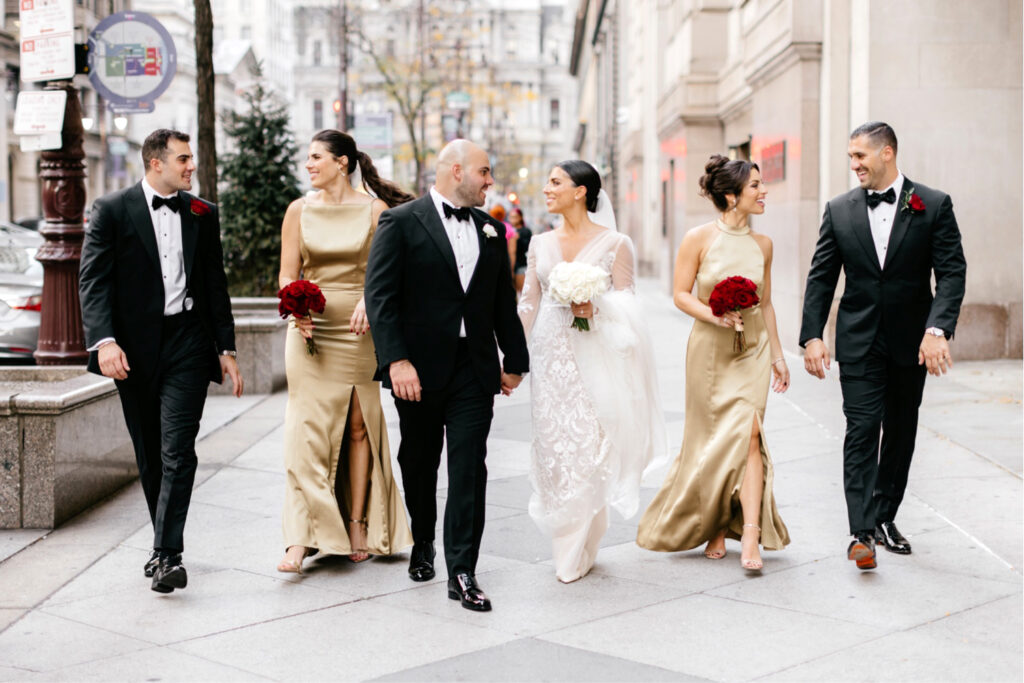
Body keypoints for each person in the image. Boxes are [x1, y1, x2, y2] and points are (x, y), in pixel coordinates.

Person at [364, 139, 529, 612]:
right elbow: (381, 298)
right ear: (457, 171)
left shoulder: (493, 231)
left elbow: (502, 301)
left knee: (468, 468)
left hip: (473, 370)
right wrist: (396, 361)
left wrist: (514, 360)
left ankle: (463, 570)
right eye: (485, 171)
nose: (490, 181)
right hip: (415, 369)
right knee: (418, 463)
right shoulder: (399, 222)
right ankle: (422, 543)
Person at [79, 129, 244, 593]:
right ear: (156, 163)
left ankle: (168, 553)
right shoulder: (112, 210)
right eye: (183, 159)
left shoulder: (201, 213)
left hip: (188, 344)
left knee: (178, 450)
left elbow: (216, 283)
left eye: (190, 159)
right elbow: (93, 282)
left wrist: (226, 350)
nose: (191, 166)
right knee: (150, 452)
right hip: (133, 350)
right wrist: (105, 342)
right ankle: (161, 544)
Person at [799, 122, 966, 570]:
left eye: (860, 156)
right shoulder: (839, 210)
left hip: (912, 343)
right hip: (858, 340)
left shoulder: (932, 205)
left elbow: (951, 273)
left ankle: (885, 515)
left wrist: (937, 330)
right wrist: (813, 334)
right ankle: (861, 533)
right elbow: (821, 276)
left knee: (901, 431)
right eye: (850, 157)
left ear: (887, 152)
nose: (853, 165)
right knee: (862, 428)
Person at [637, 154, 790, 571]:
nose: (763, 192)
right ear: (731, 195)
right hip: (709, 351)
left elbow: (768, 303)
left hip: (753, 349)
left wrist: (778, 356)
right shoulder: (698, 238)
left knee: (751, 434)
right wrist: (715, 314)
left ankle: (753, 535)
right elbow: (681, 294)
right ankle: (717, 523)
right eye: (755, 186)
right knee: (712, 440)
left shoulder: (764, 246)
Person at [518, 161, 666, 583]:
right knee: (554, 446)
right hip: (550, 356)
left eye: (555, 182)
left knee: (589, 443)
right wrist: (510, 355)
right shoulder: (540, 243)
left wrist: (595, 306)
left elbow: (630, 302)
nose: (546, 188)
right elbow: (530, 301)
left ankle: (581, 540)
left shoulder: (617, 243)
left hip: (594, 352)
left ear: (581, 191)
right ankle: (568, 535)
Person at [277, 130, 413, 573]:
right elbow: (286, 274)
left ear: (343, 162)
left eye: (316, 157)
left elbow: (390, 273)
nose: (309, 165)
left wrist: (369, 301)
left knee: (358, 428)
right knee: (305, 430)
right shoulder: (298, 210)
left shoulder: (377, 211)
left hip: (358, 331)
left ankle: (357, 523)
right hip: (309, 333)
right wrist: (296, 309)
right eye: (308, 158)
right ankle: (299, 537)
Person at [509, 207, 533, 294]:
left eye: (515, 217)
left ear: (520, 217)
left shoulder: (525, 231)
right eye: (511, 217)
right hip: (511, 265)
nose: (513, 219)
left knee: (522, 292)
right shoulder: (508, 230)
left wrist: (517, 239)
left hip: (521, 265)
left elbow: (528, 247)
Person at [488, 204, 518, 271]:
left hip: (490, 262)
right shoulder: (509, 228)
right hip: (504, 262)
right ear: (503, 215)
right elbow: (512, 252)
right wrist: (512, 270)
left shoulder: (487, 226)